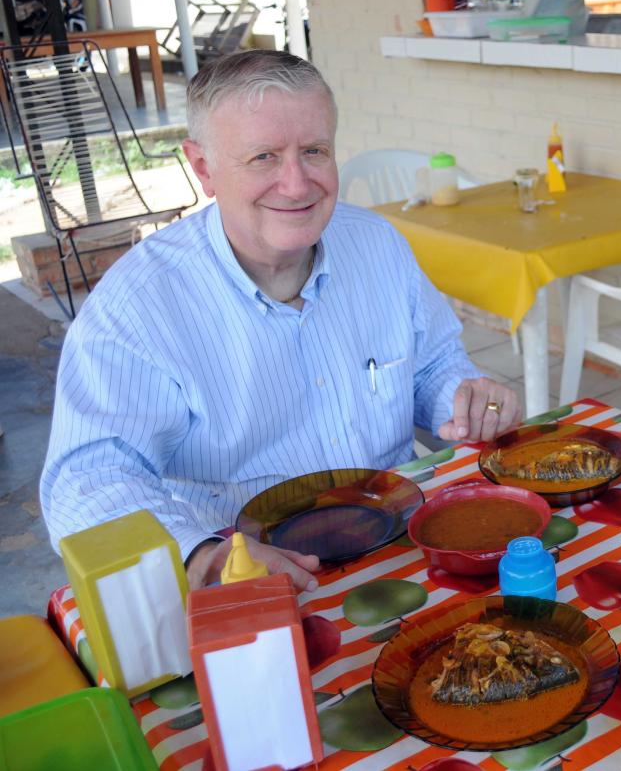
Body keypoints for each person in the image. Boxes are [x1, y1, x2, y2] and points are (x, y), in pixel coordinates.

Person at [41, 50, 520, 591]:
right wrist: (202, 555)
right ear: (203, 168)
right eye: (263, 157)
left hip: (401, 543)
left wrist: (467, 401)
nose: (296, 184)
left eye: (314, 151)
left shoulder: (377, 243)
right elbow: (86, 481)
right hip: (248, 575)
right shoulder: (139, 303)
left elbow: (433, 366)